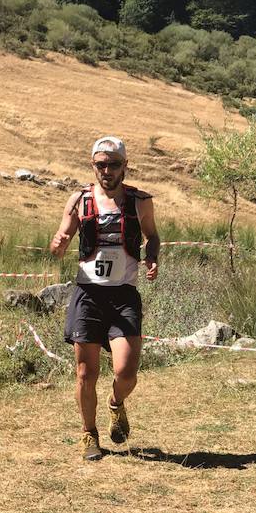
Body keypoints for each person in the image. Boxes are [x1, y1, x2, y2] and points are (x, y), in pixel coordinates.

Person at [50, 136, 159, 461]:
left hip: (124, 296)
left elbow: (152, 235)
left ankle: (116, 403)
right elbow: (61, 242)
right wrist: (57, 246)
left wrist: (152, 258)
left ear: (125, 166)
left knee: (126, 370)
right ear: (93, 166)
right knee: (86, 372)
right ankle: (89, 435)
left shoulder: (140, 201)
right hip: (88, 294)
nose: (107, 170)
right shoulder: (80, 200)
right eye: (101, 165)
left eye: (113, 164)